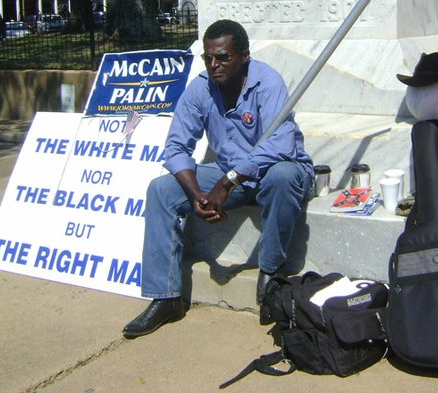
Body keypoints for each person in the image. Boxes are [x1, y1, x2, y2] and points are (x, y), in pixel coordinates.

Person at [123, 19, 314, 338]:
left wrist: (226, 183)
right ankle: (166, 296)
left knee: (282, 176)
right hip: (230, 172)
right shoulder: (200, 87)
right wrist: (197, 193)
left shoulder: (267, 82)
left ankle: (271, 274)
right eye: (208, 58)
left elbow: (281, 144)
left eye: (223, 57)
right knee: (161, 189)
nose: (214, 65)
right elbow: (176, 145)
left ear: (244, 56)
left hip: (276, 171)